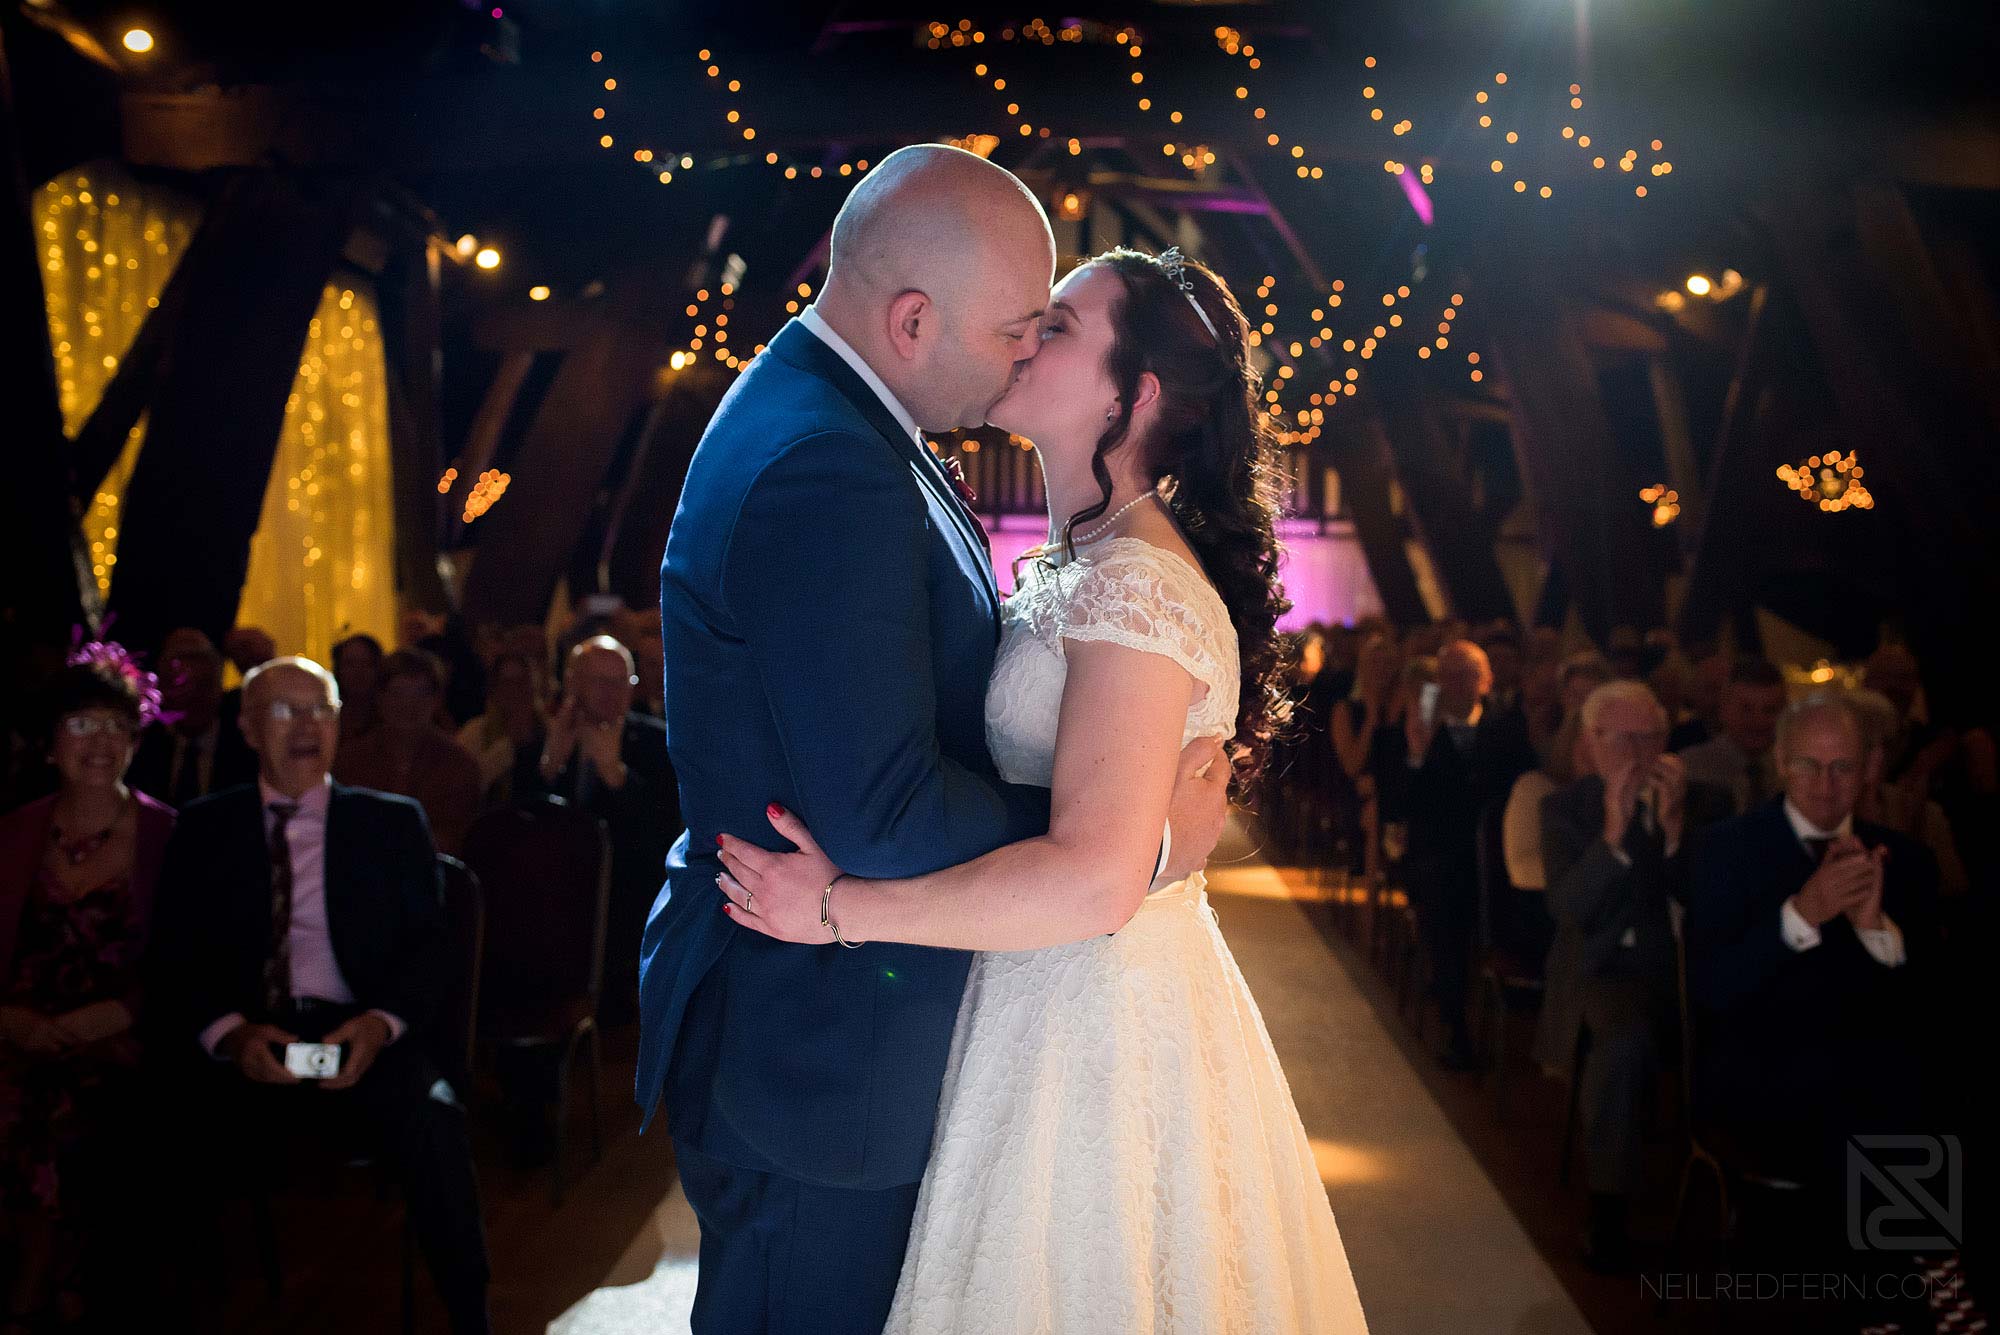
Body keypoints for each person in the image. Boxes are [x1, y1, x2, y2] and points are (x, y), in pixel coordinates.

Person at [636, 149, 1238, 1335]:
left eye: (1049, 331)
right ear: (912, 320)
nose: (1022, 351)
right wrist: (1119, 832)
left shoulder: (847, 422)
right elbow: (884, 816)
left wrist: (1099, 834)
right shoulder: (829, 459)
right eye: (1020, 326)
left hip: (889, 1019)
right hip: (822, 1046)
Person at [712, 245, 1368, 1332]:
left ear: (1131, 396)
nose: (1025, 335)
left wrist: (836, 909)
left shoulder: (1134, 585)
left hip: (1094, 1018)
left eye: (1056, 327)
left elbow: (1092, 884)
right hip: (1029, 983)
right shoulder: (1083, 564)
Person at [143, 657, 491, 1333]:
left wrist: (378, 1025)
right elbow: (175, 958)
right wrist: (232, 1035)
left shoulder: (391, 823)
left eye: (320, 710)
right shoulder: (205, 828)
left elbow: (430, 951)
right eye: (284, 711)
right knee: (157, 1125)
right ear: (248, 728)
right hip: (248, 1036)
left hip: (360, 1032)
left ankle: (470, 1316)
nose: (306, 727)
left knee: (437, 1121)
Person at [1686, 691, 1945, 1324]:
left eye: (1842, 768)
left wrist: (1877, 932)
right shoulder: (1724, 849)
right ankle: (1891, 1297)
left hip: (1873, 1071)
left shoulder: (1906, 860)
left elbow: (1932, 1004)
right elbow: (1712, 991)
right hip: (1759, 1068)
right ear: (1781, 763)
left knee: (1916, 1087)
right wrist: (1803, 914)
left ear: (1870, 768)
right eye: (1809, 766)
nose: (1826, 786)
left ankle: (1898, 1297)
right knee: (1882, 1104)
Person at [0, 645, 175, 1330]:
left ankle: (34, 1296)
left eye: (114, 726)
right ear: (50, 745)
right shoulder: (13, 833)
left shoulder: (170, 836)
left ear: (134, 741)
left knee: (63, 1110)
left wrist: (124, 1012)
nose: (99, 740)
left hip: (124, 1039)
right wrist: (8, 1018)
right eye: (80, 724)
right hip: (18, 1029)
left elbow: (190, 964)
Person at [1529, 682, 1730, 1271]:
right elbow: (1568, 909)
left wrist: (1673, 832)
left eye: (1650, 738)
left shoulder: (1709, 804)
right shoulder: (1566, 809)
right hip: (1607, 970)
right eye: (1622, 739)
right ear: (1591, 743)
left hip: (1690, 968)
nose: (1638, 753)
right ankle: (1608, 1211)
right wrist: (1614, 838)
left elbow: (1714, 905)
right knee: (1621, 1040)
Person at [1380, 638, 1537, 1068]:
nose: (1455, 684)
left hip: (1495, 859)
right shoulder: (1418, 728)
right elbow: (1399, 804)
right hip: (1438, 855)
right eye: (1447, 675)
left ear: (1485, 681)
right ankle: (1456, 1027)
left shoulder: (1506, 729)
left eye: (1466, 675)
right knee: (1444, 902)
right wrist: (1417, 753)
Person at [517, 635, 673, 1021]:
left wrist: (615, 776)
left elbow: (662, 838)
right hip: (554, 906)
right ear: (572, 683)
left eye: (620, 681)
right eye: (599, 681)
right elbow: (518, 831)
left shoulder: (658, 743)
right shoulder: (540, 740)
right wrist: (550, 767)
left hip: (628, 906)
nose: (611, 692)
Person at [332, 648, 483, 853]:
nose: (408, 705)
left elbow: (456, 837)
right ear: (380, 698)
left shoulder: (458, 765)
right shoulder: (350, 760)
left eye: (420, 694)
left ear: (435, 700)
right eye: (398, 693)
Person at [127, 627, 256, 805]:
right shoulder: (141, 743)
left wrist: (255, 664)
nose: (193, 698)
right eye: (180, 686)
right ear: (159, 687)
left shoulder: (247, 740)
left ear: (220, 682)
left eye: (203, 685)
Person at [1676, 654, 1785, 815]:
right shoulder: (1690, 770)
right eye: (1746, 709)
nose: (1758, 721)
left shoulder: (1795, 771)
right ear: (1724, 708)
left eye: (1770, 710)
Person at [455, 649, 544, 802]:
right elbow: (465, 786)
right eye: (507, 683)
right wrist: (508, 745)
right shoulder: (475, 732)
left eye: (521, 682)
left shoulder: (549, 729)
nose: (514, 690)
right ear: (495, 688)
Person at [331, 633, 385, 740]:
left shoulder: (390, 716)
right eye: (350, 664)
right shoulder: (328, 715)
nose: (358, 672)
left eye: (366, 663)